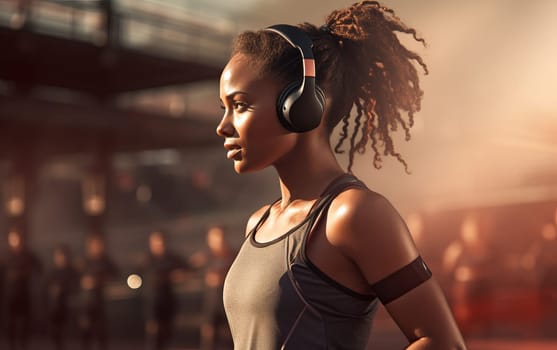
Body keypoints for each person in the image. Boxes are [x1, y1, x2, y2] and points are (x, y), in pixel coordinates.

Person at [215, 1, 466, 349]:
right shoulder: (257, 223)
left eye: (240, 105)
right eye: (224, 108)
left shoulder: (354, 215)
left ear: (300, 106)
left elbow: (442, 343)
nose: (222, 126)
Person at [141, 230, 190, 350]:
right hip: (152, 300)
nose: (158, 244)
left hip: (168, 299)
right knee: (153, 333)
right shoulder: (147, 260)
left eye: (160, 241)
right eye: (155, 241)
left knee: (166, 331)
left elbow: (186, 269)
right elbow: (137, 276)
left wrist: (178, 276)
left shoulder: (172, 258)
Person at [189, 225, 234, 350]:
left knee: (230, 338)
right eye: (214, 237)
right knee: (208, 338)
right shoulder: (203, 258)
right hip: (210, 304)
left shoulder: (233, 256)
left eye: (219, 236)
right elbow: (188, 271)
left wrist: (223, 277)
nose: (217, 240)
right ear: (209, 239)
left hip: (228, 304)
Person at [77, 233, 118, 350]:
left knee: (101, 331)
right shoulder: (84, 262)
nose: (96, 247)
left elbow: (115, 276)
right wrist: (83, 282)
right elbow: (74, 279)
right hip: (86, 302)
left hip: (101, 301)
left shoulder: (107, 262)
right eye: (93, 244)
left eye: (98, 244)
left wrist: (99, 280)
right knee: (86, 330)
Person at [3, 229, 42, 350]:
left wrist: (25, 273)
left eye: (16, 238)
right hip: (10, 294)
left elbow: (38, 268)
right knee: (11, 322)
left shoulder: (28, 255)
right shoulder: (6, 256)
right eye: (12, 239)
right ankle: (12, 345)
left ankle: (23, 345)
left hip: (23, 292)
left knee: (24, 321)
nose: (14, 241)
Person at [44, 244, 80, 350]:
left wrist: (63, 289)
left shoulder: (72, 272)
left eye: (62, 256)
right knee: (55, 334)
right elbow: (45, 289)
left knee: (67, 335)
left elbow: (76, 288)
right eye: (58, 256)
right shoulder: (51, 272)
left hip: (68, 308)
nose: (60, 258)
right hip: (54, 309)